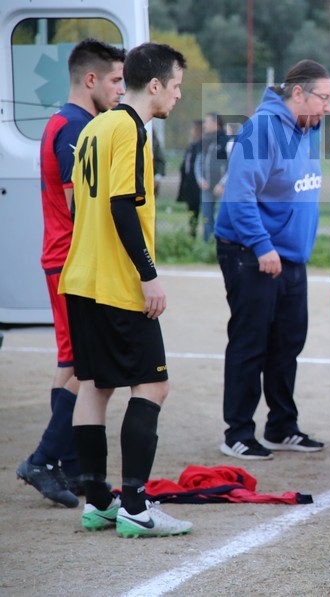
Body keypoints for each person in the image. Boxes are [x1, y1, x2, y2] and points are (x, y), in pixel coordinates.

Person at [59, 42, 192, 537]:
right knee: (153, 386)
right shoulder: (132, 129)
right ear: (154, 85)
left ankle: (98, 502)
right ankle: (135, 506)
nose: (178, 95)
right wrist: (148, 273)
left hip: (80, 277)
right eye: (175, 86)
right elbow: (121, 206)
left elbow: (78, 206)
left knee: (94, 386)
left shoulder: (94, 126)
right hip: (116, 283)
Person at [16, 39, 126, 509]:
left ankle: (69, 464)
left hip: (63, 260)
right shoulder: (76, 130)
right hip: (71, 262)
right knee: (87, 367)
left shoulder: (67, 122)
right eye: (116, 80)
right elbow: (81, 207)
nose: (121, 89)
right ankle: (43, 459)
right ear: (91, 79)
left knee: (71, 364)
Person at [215, 60, 330, 460]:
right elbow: (239, 195)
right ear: (298, 93)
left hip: (291, 257)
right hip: (252, 253)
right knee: (251, 342)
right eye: (324, 98)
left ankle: (282, 426)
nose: (329, 108)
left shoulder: (308, 127)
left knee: (287, 343)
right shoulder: (261, 129)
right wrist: (262, 245)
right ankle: (237, 432)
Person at [198, 112, 229, 241]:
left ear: (216, 124)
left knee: (221, 219)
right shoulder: (204, 141)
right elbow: (198, 162)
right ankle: (207, 246)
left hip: (222, 189)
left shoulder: (227, 141)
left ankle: (219, 245)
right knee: (206, 219)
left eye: (207, 122)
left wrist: (222, 184)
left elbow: (232, 165)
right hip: (206, 187)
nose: (204, 125)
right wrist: (200, 179)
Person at [176, 119, 203, 238]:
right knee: (191, 212)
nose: (191, 131)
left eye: (193, 128)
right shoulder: (192, 146)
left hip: (198, 185)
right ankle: (192, 235)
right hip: (189, 185)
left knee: (199, 211)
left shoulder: (201, 146)